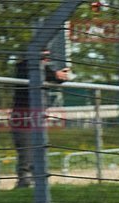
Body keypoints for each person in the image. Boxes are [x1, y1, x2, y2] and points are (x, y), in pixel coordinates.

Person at [10, 50, 70, 188]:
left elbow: (56, 78)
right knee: (26, 152)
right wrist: (55, 74)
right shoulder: (25, 67)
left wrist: (60, 75)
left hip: (37, 116)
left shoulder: (42, 69)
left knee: (39, 150)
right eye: (43, 57)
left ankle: (37, 183)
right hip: (23, 116)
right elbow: (35, 71)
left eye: (47, 57)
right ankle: (24, 183)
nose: (46, 61)